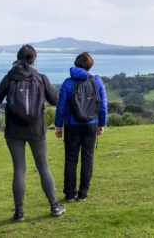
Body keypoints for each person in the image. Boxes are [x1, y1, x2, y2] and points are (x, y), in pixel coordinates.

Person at [0, 44, 64, 222]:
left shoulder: (10, 78)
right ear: (34, 59)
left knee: (19, 169)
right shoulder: (40, 77)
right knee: (43, 166)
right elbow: (54, 100)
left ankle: (19, 212)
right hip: (36, 129)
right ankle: (54, 205)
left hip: (14, 130)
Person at [54, 52, 107, 202]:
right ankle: (83, 193)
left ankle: (70, 194)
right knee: (87, 158)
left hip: (72, 125)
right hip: (91, 124)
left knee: (71, 159)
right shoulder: (97, 81)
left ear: (76, 64)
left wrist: (58, 126)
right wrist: (101, 124)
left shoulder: (68, 83)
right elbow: (102, 106)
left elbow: (61, 106)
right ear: (90, 65)